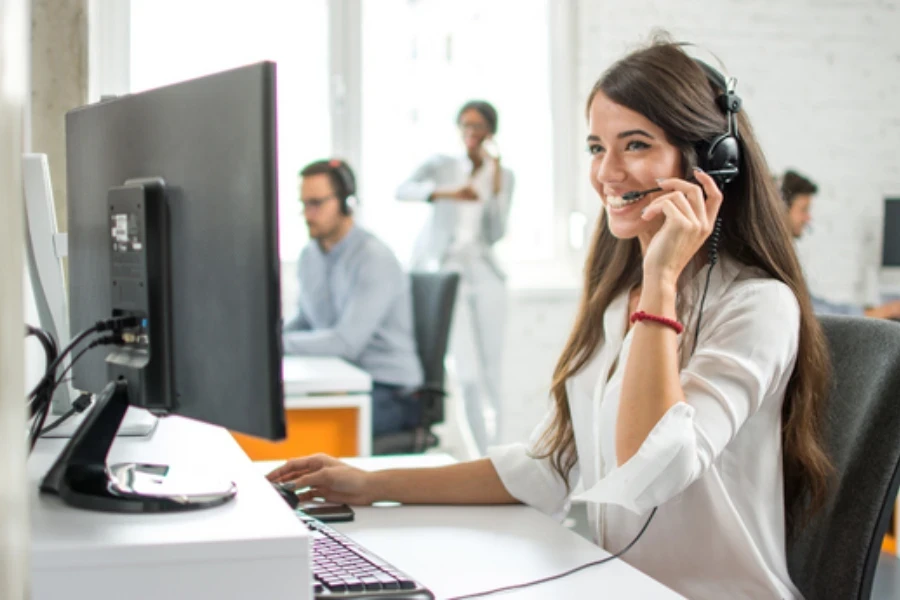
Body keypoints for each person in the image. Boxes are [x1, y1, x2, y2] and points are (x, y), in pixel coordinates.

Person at [270, 40, 832, 599]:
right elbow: (548, 466)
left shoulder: (757, 305)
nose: (607, 173)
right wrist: (371, 484)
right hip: (622, 586)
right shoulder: (619, 303)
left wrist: (661, 278)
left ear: (713, 163)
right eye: (595, 147)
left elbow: (652, 473)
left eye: (635, 144)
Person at [395, 100, 515, 453]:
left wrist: (495, 188)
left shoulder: (502, 174)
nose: (470, 133)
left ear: (490, 131)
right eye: (465, 125)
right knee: (467, 374)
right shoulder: (442, 166)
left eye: (478, 126)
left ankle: (499, 453)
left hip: (484, 271)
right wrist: (446, 193)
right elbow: (401, 190)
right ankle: (480, 456)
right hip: (447, 270)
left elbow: (495, 233)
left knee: (493, 371)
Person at [283, 158, 423, 439]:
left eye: (316, 204)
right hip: (343, 381)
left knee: (297, 431)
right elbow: (306, 320)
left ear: (346, 202)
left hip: (391, 392)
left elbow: (346, 343)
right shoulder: (309, 256)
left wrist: (275, 346)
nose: (308, 214)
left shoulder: (373, 257)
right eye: (304, 205)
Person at [780, 169, 900, 318]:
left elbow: (815, 304)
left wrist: (869, 311)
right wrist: (882, 312)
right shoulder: (777, 258)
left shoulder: (785, 254)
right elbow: (816, 313)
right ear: (781, 210)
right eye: (803, 210)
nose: (808, 218)